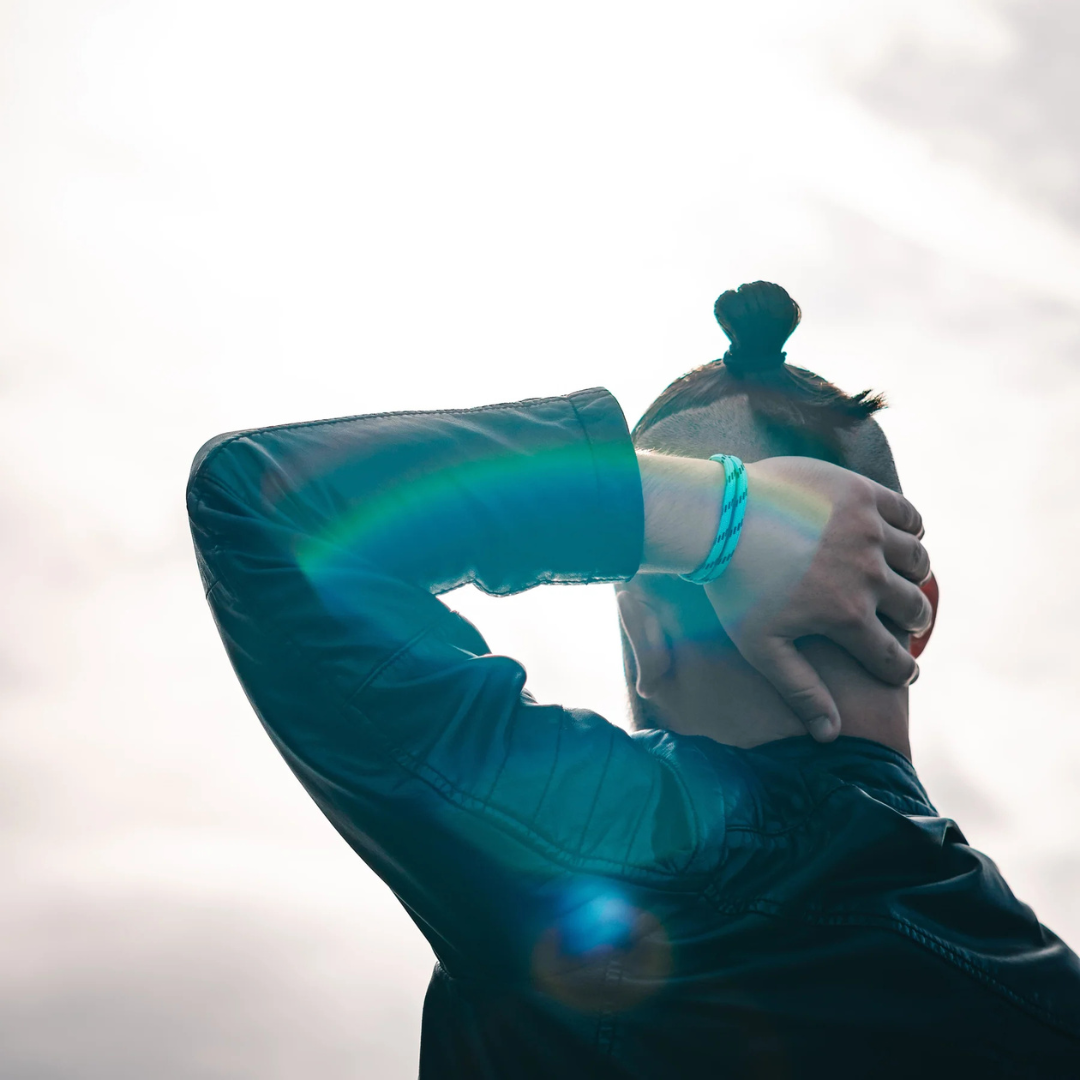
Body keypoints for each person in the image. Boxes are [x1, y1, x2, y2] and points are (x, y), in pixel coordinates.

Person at [187, 281, 1080, 1078]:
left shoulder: (610, 856)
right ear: (918, 610)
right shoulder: (1047, 996)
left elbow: (265, 507)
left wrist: (709, 515)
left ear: (644, 631)